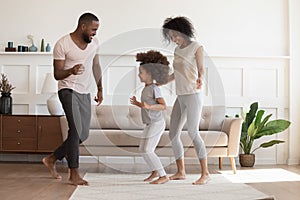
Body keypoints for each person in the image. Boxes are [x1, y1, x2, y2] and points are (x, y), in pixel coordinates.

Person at [42, 12, 103, 186]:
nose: (95, 33)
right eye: (93, 29)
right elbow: (56, 74)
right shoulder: (63, 44)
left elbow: (96, 66)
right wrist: (71, 70)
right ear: (83, 26)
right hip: (67, 90)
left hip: (85, 92)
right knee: (76, 129)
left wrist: (100, 88)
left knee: (83, 133)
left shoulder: (95, 43)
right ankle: (73, 174)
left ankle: (52, 158)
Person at [162, 16, 210, 185]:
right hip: (181, 96)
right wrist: (162, 81)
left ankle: (205, 173)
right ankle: (181, 171)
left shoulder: (196, 47)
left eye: (175, 35)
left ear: (184, 31)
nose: (174, 39)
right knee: (173, 134)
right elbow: (177, 74)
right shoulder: (177, 51)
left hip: (193, 95)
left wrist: (200, 78)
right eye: (171, 36)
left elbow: (201, 68)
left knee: (192, 132)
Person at [130, 50, 170, 184]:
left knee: (148, 149)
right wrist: (139, 104)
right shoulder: (145, 88)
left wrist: (149, 107)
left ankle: (163, 175)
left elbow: (163, 106)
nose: (138, 75)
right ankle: (155, 171)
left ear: (149, 74)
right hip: (149, 123)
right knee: (142, 149)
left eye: (141, 72)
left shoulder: (154, 88)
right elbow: (147, 104)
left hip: (157, 123)